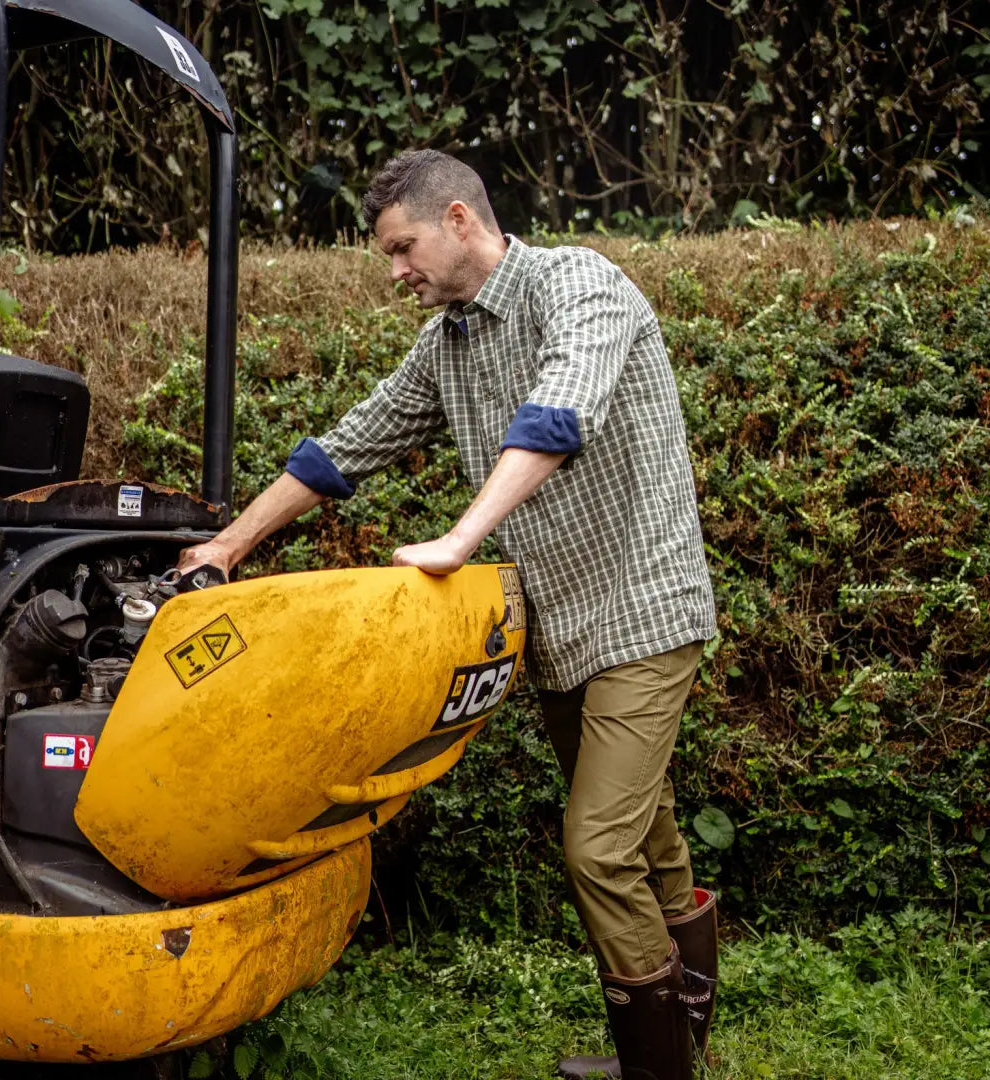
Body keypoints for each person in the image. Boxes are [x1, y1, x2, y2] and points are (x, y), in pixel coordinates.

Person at [178, 149, 718, 1080]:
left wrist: (460, 540)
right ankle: (680, 1039)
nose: (396, 273)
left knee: (595, 847)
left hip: (644, 609)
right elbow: (347, 447)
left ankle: (659, 1071)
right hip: (558, 631)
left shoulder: (581, 286)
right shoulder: (450, 342)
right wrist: (231, 545)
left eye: (402, 248)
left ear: (460, 220)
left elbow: (557, 415)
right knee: (647, 833)